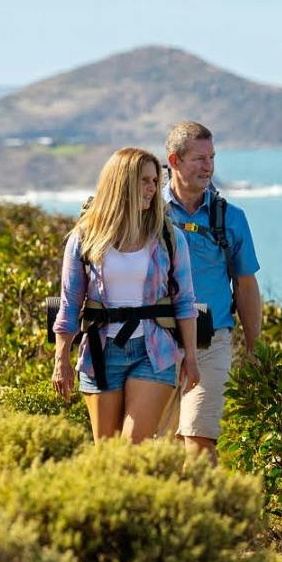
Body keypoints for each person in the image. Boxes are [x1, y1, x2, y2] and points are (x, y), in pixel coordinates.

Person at [51, 147, 200, 441]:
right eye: (145, 181)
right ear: (122, 183)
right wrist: (61, 360)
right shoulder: (85, 236)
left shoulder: (168, 237)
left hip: (154, 351)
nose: (153, 189)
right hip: (100, 352)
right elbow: (70, 304)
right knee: (107, 452)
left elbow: (184, 302)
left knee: (133, 448)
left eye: (155, 181)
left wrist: (191, 359)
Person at [164, 121, 262, 460]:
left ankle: (209, 508)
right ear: (174, 161)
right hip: (157, 339)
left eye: (212, 158)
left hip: (211, 339)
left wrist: (253, 346)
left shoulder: (231, 218)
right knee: (163, 447)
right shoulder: (147, 213)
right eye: (199, 159)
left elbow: (246, 284)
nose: (209, 167)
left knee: (199, 439)